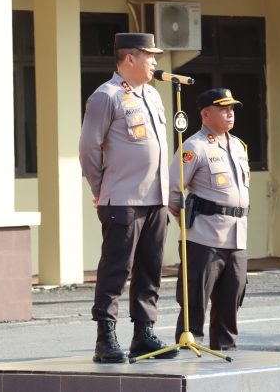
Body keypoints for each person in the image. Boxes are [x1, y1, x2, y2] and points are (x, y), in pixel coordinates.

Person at [79, 33, 176, 363]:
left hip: (155, 199)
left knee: (150, 268)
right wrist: (100, 188)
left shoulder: (153, 95)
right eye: (149, 55)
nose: (155, 61)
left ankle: (144, 334)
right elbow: (88, 148)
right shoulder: (106, 96)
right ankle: (105, 337)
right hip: (123, 198)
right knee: (116, 269)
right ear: (130, 58)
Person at [169, 88, 250, 351]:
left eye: (232, 108)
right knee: (195, 299)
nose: (230, 113)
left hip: (236, 237)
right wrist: (184, 221)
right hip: (205, 237)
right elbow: (172, 189)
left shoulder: (238, 146)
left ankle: (225, 350)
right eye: (223, 109)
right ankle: (189, 351)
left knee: (231, 300)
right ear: (206, 114)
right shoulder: (194, 147)